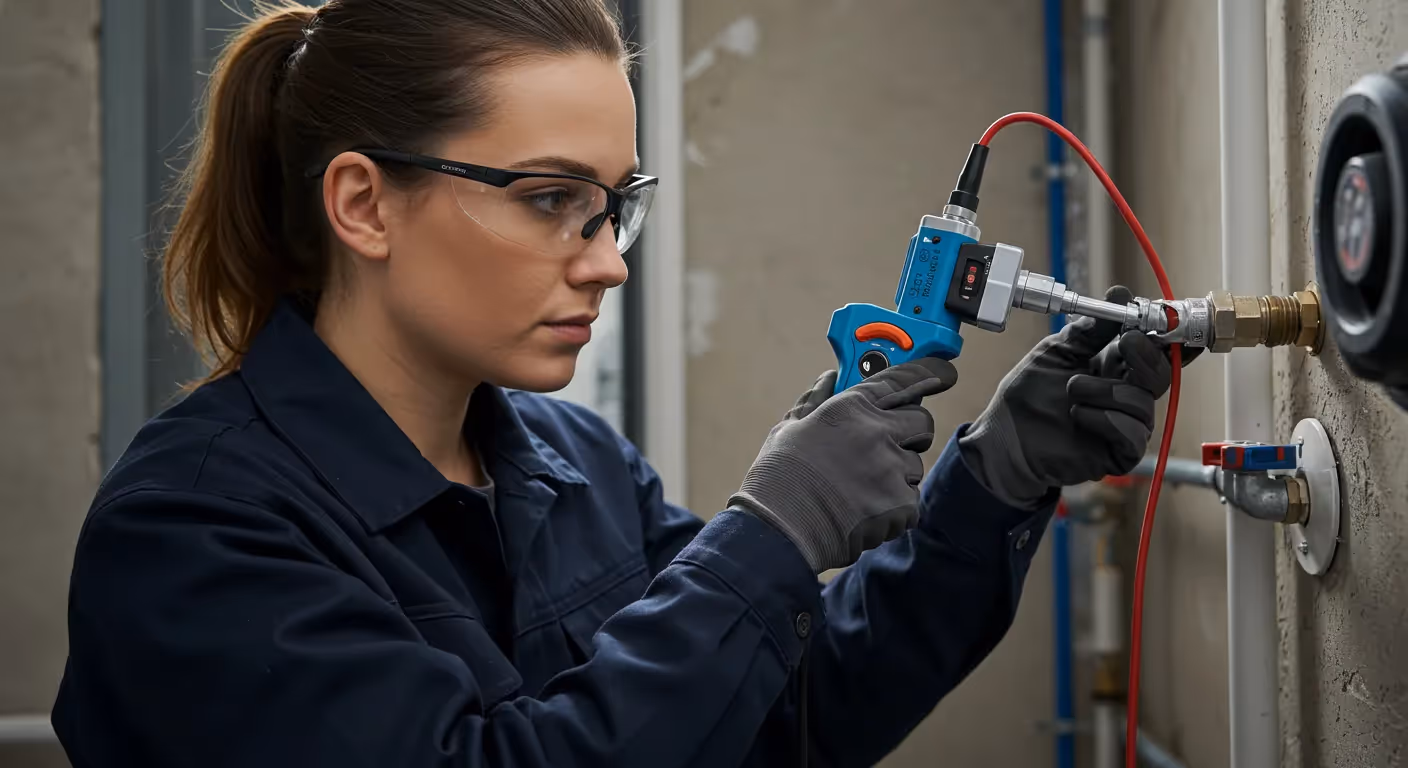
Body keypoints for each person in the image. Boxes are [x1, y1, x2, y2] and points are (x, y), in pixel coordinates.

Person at [52, 2, 1177, 766]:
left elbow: (782, 724)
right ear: (363, 205)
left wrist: (986, 488)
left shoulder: (573, 462)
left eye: (612, 203)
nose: (606, 259)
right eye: (549, 199)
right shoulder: (194, 530)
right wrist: (769, 537)